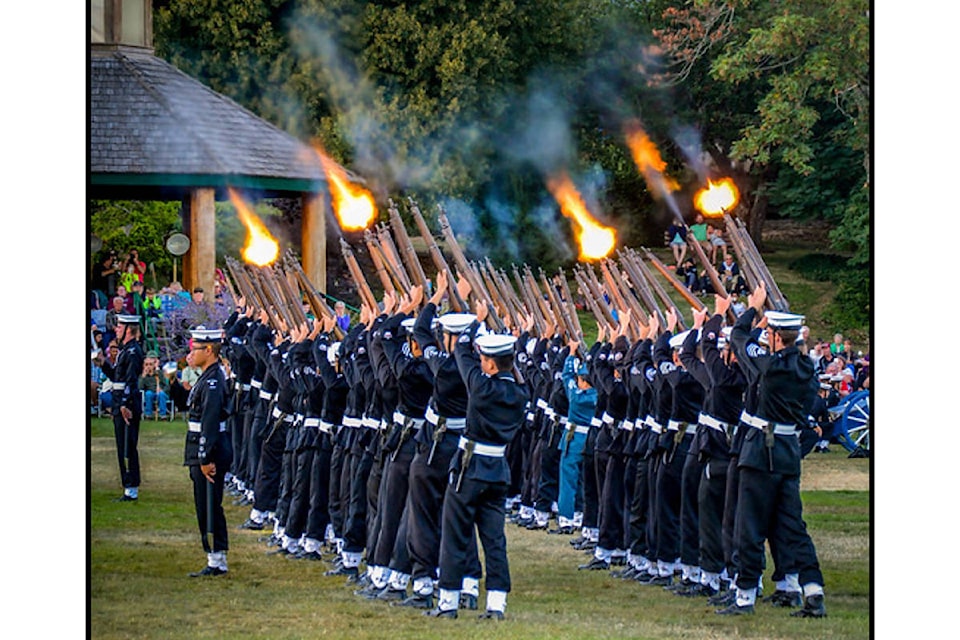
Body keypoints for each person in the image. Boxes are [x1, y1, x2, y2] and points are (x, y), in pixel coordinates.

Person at [719, 283, 827, 618]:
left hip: (759, 452)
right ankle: (812, 591)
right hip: (787, 452)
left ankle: (745, 596)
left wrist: (753, 310)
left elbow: (739, 337)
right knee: (793, 526)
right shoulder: (807, 367)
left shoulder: (769, 367)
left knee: (749, 526)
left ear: (777, 336)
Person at [426, 304, 528, 620]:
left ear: (493, 366)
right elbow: (495, 367)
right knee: (494, 541)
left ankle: (448, 603)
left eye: (486, 360)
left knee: (455, 534)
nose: (481, 364)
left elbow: (461, 353)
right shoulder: (522, 394)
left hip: (470, 469)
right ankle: (496, 605)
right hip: (498, 471)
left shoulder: (482, 388)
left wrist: (474, 322)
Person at [184, 326, 234, 577]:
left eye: (196, 348)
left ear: (210, 350)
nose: (192, 351)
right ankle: (214, 556)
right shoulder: (206, 376)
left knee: (209, 506)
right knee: (205, 504)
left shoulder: (213, 381)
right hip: (200, 449)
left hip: (209, 453)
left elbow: (210, 423)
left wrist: (204, 458)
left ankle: (216, 559)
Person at [98, 314, 145, 501]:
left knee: (127, 447)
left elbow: (130, 381)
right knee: (122, 445)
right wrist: (103, 364)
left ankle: (131, 486)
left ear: (129, 330)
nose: (116, 329)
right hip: (120, 404)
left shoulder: (133, 351)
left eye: (120, 326)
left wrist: (125, 404)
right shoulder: (125, 350)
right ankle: (128, 484)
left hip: (127, 405)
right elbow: (117, 378)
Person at [138, 351, 171, 419]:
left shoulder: (160, 373)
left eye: (150, 364)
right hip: (150, 392)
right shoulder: (143, 376)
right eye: (146, 364)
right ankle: (148, 414)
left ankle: (163, 415)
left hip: (160, 391)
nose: (148, 366)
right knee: (148, 394)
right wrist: (143, 376)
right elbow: (140, 387)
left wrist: (163, 390)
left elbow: (167, 385)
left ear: (154, 365)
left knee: (161, 394)